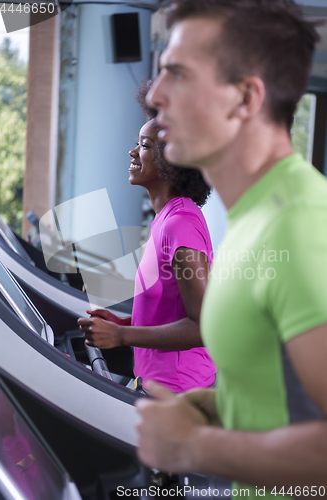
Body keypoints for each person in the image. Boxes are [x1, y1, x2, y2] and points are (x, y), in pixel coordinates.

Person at [135, 0, 327, 497]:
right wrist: (208, 408)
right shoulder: (251, 218)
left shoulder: (297, 226)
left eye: (178, 75)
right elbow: (283, 398)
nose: (156, 95)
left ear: (245, 99)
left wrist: (193, 449)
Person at [77, 85, 216, 393]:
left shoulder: (179, 224)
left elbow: (204, 325)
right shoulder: (166, 219)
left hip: (177, 392)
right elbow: (171, 309)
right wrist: (123, 324)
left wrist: (122, 337)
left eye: (143, 145)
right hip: (158, 383)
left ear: (172, 158)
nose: (132, 152)